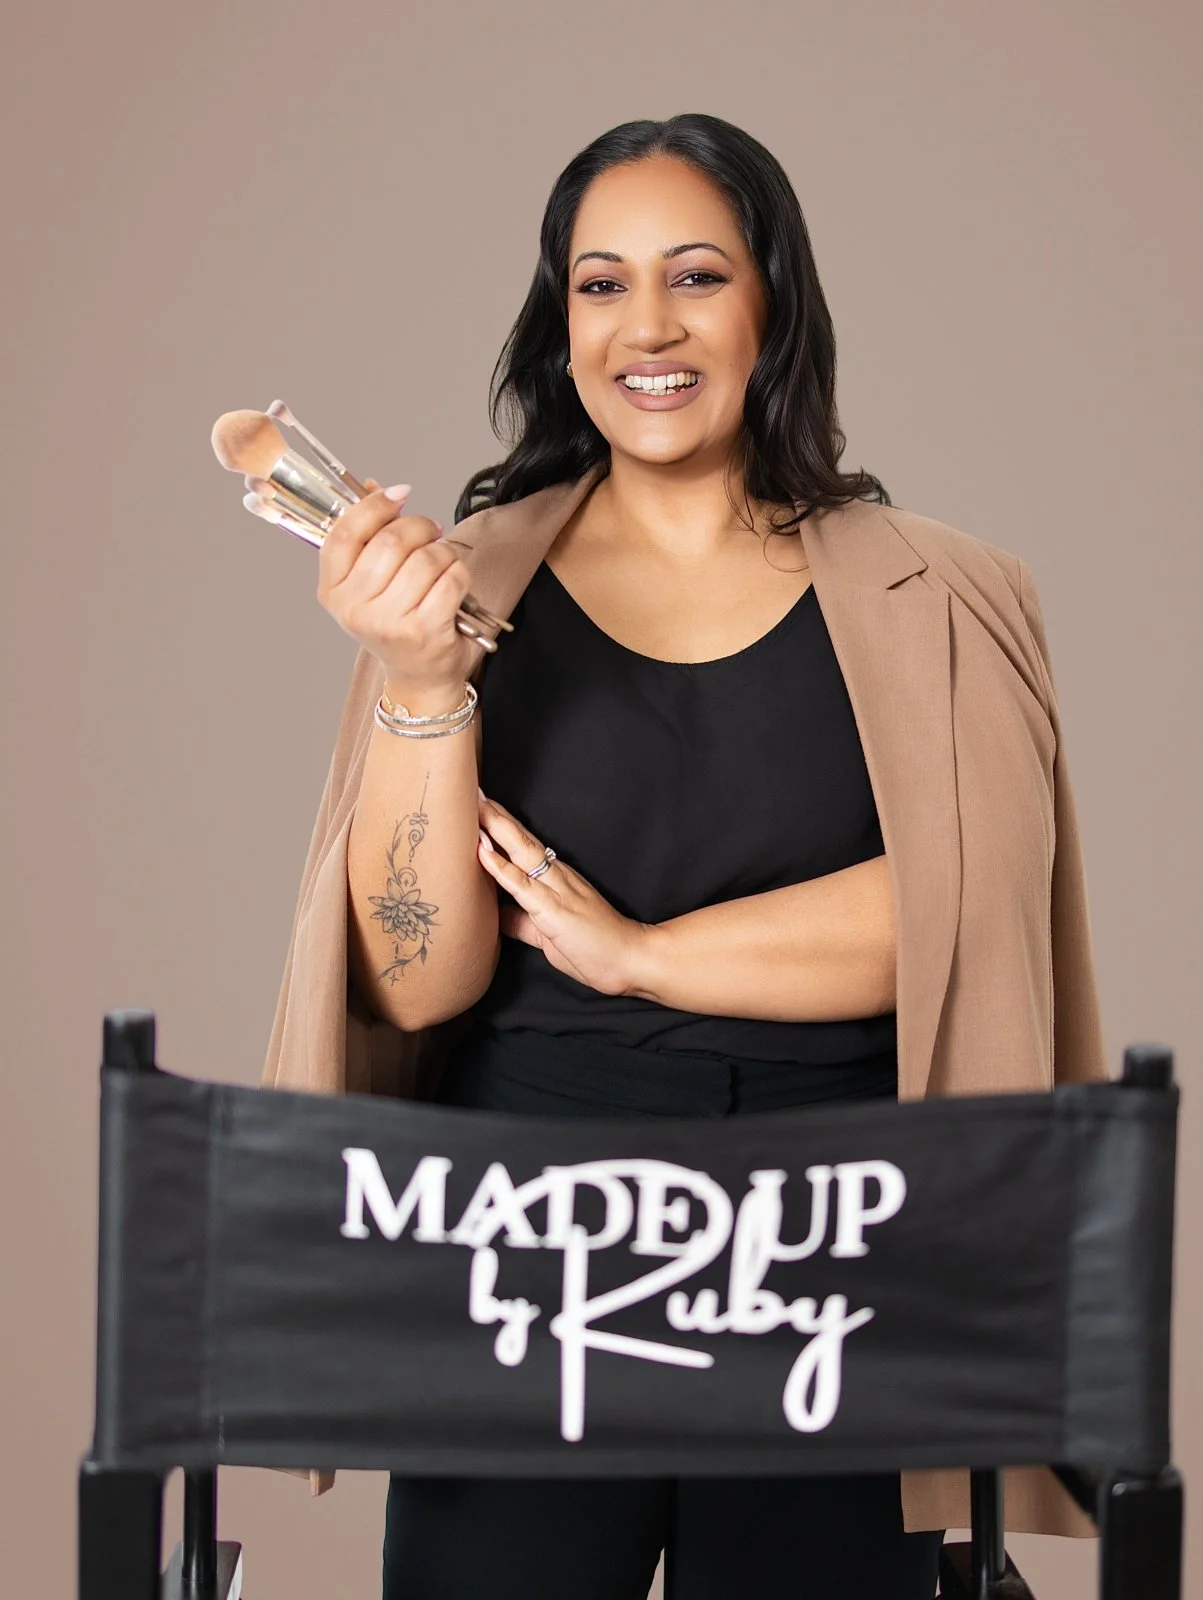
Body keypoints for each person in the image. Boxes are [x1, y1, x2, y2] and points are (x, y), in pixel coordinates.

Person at [262, 113, 1108, 1599]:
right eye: (600, 284)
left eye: (696, 275)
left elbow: (969, 917)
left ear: (773, 303)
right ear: (561, 322)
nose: (644, 326)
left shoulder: (951, 595)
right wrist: (418, 680)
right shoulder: (459, 588)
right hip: (525, 1249)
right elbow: (411, 977)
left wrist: (643, 955)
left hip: (836, 1254)